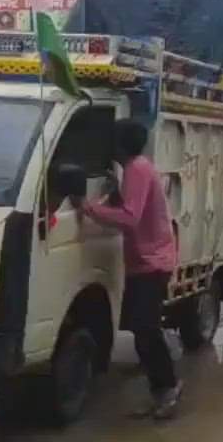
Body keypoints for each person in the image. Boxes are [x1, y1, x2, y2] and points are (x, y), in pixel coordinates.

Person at [71, 120, 181, 419]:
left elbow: (130, 218)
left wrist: (88, 207)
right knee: (141, 330)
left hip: (152, 261)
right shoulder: (136, 169)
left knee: (146, 330)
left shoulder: (138, 170)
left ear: (120, 145)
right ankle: (161, 390)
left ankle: (168, 388)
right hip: (143, 261)